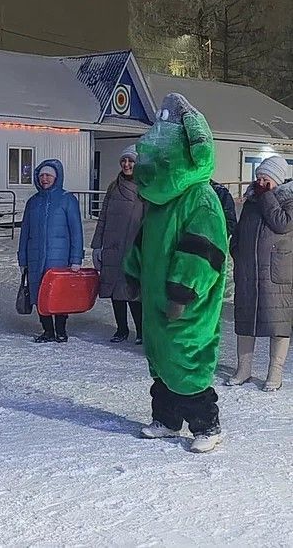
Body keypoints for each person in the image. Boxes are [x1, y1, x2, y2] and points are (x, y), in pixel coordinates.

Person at [123, 93, 228, 453]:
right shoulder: (160, 201)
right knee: (161, 362)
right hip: (156, 299)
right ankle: (166, 420)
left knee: (187, 360)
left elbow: (204, 250)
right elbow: (145, 240)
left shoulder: (199, 197)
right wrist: (133, 272)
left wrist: (182, 293)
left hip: (185, 305)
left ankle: (206, 425)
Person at [227, 155, 293, 391]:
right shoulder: (252, 202)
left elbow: (281, 223)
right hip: (249, 271)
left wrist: (267, 198)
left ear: (277, 179)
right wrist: (236, 250)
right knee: (246, 321)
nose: (260, 182)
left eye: (265, 178)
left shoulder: (288, 201)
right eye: (258, 177)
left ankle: (274, 374)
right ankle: (243, 369)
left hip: (277, 274)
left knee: (278, 324)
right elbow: (240, 229)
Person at [18, 159, 83, 343]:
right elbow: (25, 232)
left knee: (58, 294)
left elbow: (76, 231)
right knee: (39, 293)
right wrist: (22, 258)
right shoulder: (33, 202)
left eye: (48, 176)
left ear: (56, 178)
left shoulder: (67, 200)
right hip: (35, 257)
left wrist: (76, 258)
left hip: (60, 259)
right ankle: (47, 330)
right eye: (42, 176)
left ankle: (61, 330)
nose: (44, 179)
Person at [91, 145, 144, 344]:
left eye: (131, 161)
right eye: (124, 161)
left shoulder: (144, 188)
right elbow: (103, 217)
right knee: (115, 291)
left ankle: (141, 331)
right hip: (112, 246)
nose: (127, 164)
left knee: (133, 292)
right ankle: (121, 329)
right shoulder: (113, 187)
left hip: (134, 247)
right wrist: (97, 245)